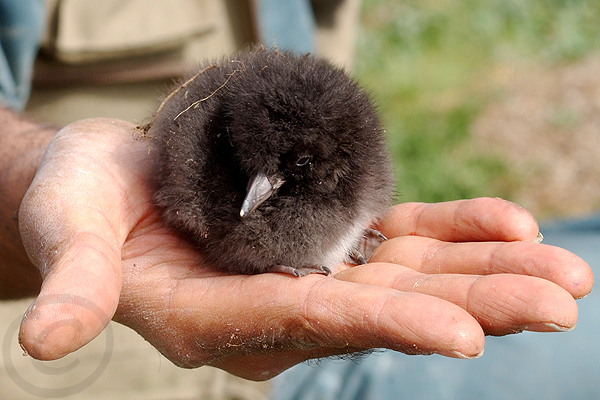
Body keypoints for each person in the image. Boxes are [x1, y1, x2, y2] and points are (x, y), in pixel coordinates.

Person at [0, 0, 593, 386]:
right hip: (124, 369)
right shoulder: (209, 173)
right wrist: (32, 174)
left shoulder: (339, 161)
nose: (256, 193)